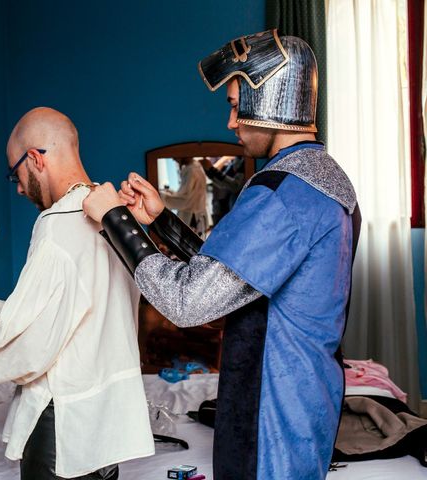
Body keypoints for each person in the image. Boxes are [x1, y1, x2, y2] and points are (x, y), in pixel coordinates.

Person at [82, 30, 361, 480]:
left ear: (269, 99)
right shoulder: (324, 179)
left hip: (272, 411)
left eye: (236, 106)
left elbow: (189, 302)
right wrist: (162, 224)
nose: (230, 123)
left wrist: (117, 220)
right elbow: (240, 276)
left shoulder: (283, 193)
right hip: (306, 394)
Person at [0, 107, 154, 479]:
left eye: (15, 173)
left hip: (63, 430)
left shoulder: (57, 227)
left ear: (35, 159)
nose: (18, 188)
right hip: (104, 427)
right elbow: (73, 313)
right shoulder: (117, 216)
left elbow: (30, 345)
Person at [160, 157, 209, 237]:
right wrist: (171, 193)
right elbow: (187, 194)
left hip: (192, 216)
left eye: (174, 157)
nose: (174, 159)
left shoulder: (191, 170)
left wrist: (163, 196)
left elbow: (185, 199)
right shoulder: (196, 166)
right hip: (197, 212)